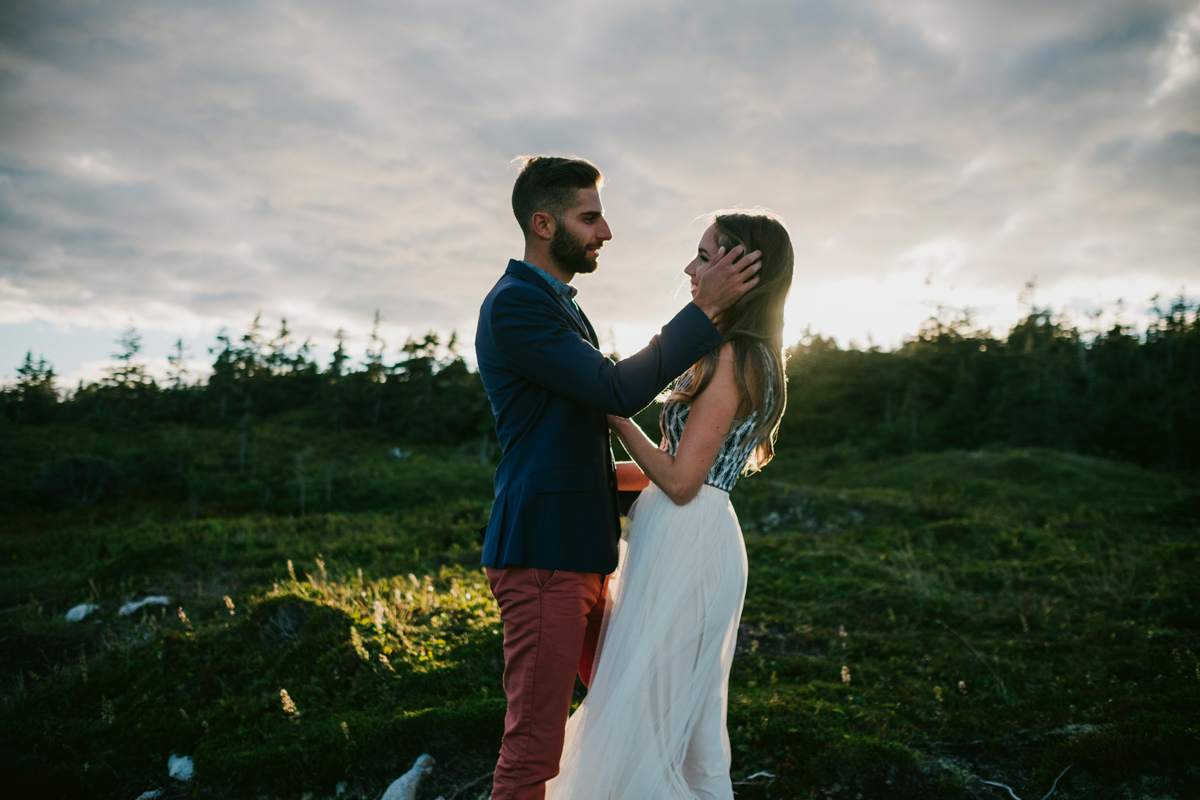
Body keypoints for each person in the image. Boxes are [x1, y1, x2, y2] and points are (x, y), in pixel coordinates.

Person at [475, 156, 763, 800]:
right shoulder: (518, 305)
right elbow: (614, 389)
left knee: (636, 708)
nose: (605, 231)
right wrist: (706, 310)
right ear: (543, 223)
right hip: (543, 554)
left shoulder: (556, 306)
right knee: (533, 748)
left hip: (580, 554)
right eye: (590, 217)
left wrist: (691, 481)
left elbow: (573, 452)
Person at [546, 210, 793, 800]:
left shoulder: (737, 356)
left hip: (689, 543)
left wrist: (611, 409)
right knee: (674, 717)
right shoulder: (734, 351)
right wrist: (578, 478)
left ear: (743, 269)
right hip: (681, 536)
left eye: (706, 256)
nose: (691, 267)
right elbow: (675, 470)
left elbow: (682, 480)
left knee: (659, 713)